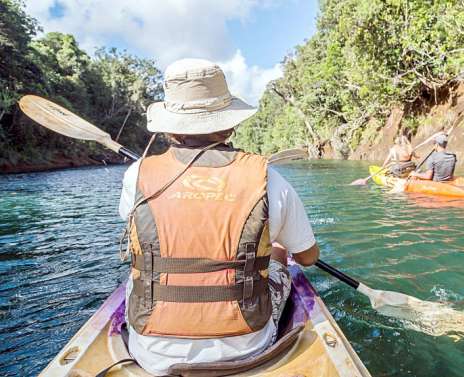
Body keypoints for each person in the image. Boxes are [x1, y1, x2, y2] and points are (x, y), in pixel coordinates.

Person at [118, 58, 319, 376]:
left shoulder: (136, 176)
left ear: (170, 127)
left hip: (152, 352)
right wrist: (277, 245)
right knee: (279, 251)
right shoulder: (268, 177)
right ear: (229, 123)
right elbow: (308, 257)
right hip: (248, 345)